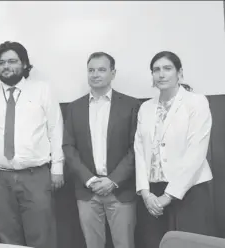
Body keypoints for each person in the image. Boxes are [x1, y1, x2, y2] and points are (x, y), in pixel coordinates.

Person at [0, 41, 64, 248]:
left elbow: (55, 129)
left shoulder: (42, 90)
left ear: (24, 64)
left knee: (41, 236)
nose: (6, 66)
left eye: (12, 61)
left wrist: (58, 168)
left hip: (36, 176)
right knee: (7, 238)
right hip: (0, 178)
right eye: (1, 63)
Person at [134, 51, 214, 248]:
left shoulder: (196, 102)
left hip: (189, 190)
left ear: (179, 73)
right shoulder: (146, 107)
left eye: (167, 68)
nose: (161, 74)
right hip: (153, 195)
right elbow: (139, 151)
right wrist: (145, 192)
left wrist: (168, 196)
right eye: (156, 70)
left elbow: (195, 153)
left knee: (188, 243)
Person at [62, 52, 140, 248]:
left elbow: (136, 148)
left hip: (120, 189)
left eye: (102, 70)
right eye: (91, 70)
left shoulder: (131, 106)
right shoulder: (74, 108)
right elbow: (68, 147)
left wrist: (113, 181)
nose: (95, 74)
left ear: (113, 73)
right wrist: (89, 180)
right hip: (87, 190)